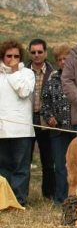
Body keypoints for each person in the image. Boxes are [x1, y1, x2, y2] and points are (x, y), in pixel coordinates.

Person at [0, 40, 36, 207]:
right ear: (2, 56)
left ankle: (19, 200)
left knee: (21, 168)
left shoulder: (27, 73)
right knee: (4, 167)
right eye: (9, 56)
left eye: (16, 56)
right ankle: (5, 199)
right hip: (2, 129)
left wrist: (15, 72)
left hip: (22, 130)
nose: (12, 59)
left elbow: (23, 91)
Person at [40, 44, 74, 206]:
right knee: (60, 166)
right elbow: (44, 103)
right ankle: (61, 199)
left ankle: (76, 198)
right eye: (59, 59)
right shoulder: (52, 80)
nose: (62, 62)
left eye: (65, 59)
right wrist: (49, 117)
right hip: (58, 131)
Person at [25, 38, 56, 200]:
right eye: (33, 52)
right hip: (26, 120)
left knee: (48, 159)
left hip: (46, 120)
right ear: (28, 53)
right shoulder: (21, 72)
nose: (36, 55)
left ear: (45, 53)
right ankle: (23, 193)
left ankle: (49, 194)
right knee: (24, 159)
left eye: (40, 52)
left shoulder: (54, 73)